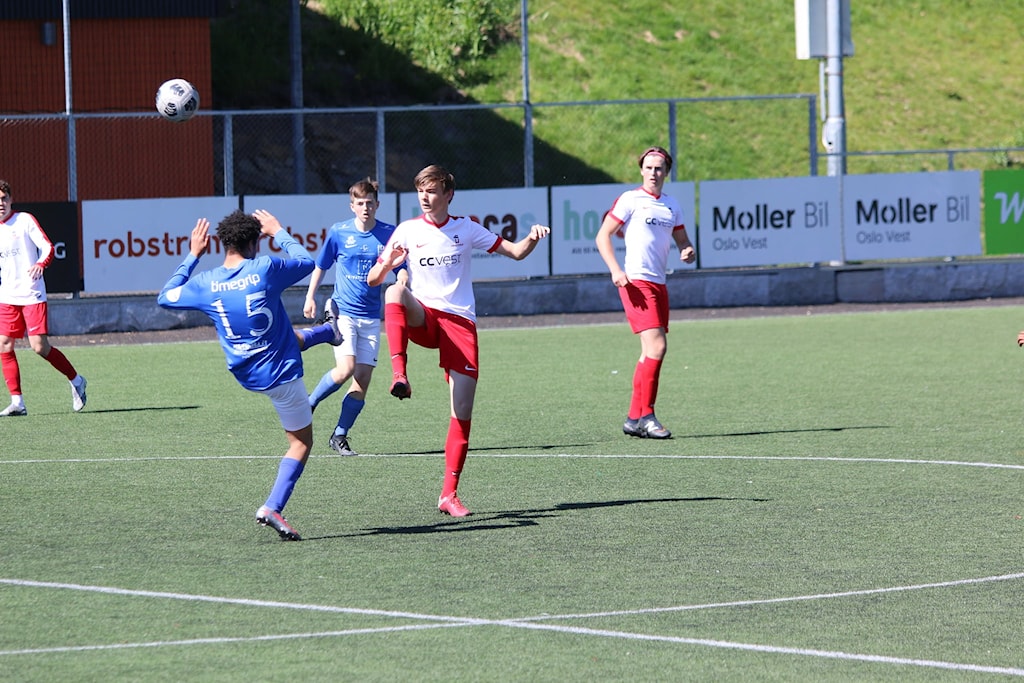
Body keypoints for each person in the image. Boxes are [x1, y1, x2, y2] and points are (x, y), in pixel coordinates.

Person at [366, 164, 550, 517]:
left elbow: (515, 252)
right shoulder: (406, 230)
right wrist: (388, 261)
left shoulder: (465, 228)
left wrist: (533, 237)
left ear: (448, 195)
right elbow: (374, 279)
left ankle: (448, 494)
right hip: (424, 315)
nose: (425, 196)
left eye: (432, 190)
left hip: (459, 324)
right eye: (421, 189)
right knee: (393, 291)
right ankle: (399, 374)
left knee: (462, 411)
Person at [157, 209, 343, 541]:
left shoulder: (205, 283)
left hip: (245, 372)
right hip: (281, 377)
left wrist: (192, 255)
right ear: (256, 242)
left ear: (221, 244)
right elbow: (305, 262)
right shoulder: (265, 268)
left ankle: (329, 332)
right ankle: (272, 506)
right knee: (301, 442)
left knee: (279, 331)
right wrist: (280, 232)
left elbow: (165, 297)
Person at [594, 146, 696, 439]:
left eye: (659, 168)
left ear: (666, 171)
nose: (654, 172)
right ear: (642, 170)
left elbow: (683, 242)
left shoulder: (671, 205)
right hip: (635, 281)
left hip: (659, 283)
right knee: (657, 348)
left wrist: (687, 251)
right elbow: (603, 235)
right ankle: (648, 417)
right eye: (649, 167)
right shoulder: (630, 199)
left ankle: (633, 418)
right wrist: (616, 269)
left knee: (647, 353)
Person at [303, 178, 408, 456]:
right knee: (345, 369)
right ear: (352, 206)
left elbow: (402, 268)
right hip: (344, 312)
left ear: (377, 205)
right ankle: (308, 404)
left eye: (370, 203)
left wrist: (403, 284)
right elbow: (321, 265)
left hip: (372, 317)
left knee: (361, 381)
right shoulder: (339, 233)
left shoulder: (389, 234)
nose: (365, 208)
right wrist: (309, 296)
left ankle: (339, 435)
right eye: (360, 203)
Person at [0, 179, 87, 416]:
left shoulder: (24, 220)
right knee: (4, 344)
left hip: (31, 294)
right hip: (7, 296)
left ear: (11, 200)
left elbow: (48, 247)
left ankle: (77, 380)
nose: (0, 204)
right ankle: (17, 402)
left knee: (39, 347)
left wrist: (40, 263)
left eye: (3, 199)